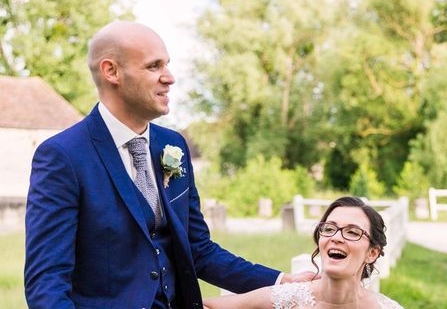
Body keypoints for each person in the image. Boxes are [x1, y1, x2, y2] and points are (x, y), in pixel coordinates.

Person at [24, 21, 313, 309]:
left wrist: (281, 281)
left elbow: (198, 250)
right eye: (154, 66)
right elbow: (46, 282)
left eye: (167, 65)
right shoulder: (63, 156)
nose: (170, 77)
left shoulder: (172, 145)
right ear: (111, 71)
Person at [203, 196, 404, 309]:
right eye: (329, 228)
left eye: (352, 232)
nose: (336, 237)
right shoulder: (288, 298)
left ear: (372, 253)